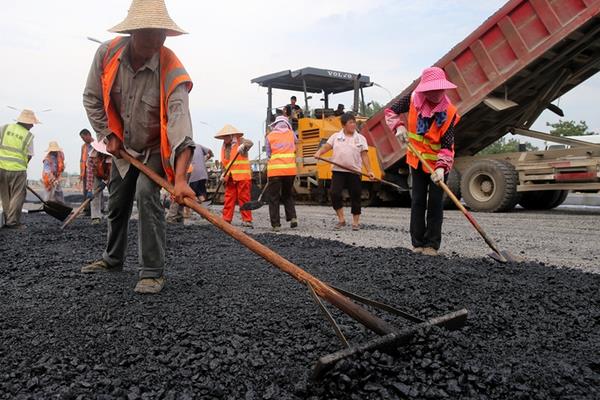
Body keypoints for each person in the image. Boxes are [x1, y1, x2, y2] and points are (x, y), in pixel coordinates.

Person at [81, 0, 196, 294]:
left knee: (146, 193)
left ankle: (152, 271)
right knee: (117, 201)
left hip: (157, 147)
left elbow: (181, 127)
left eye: (161, 33)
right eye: (149, 33)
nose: (156, 40)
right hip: (123, 145)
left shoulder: (171, 70)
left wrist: (180, 180)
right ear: (132, 32)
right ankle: (112, 258)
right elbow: (92, 99)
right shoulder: (107, 55)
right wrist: (108, 134)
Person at [384, 66, 460, 256]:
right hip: (417, 161)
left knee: (435, 202)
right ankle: (417, 243)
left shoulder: (448, 111)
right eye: (432, 90)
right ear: (424, 89)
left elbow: (447, 144)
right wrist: (399, 128)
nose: (436, 94)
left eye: (439, 90)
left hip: (438, 165)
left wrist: (441, 168)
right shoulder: (412, 99)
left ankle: (432, 245)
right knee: (418, 200)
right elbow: (390, 112)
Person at [314, 112, 374, 231]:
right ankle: (341, 220)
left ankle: (355, 222)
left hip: (355, 171)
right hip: (338, 171)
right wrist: (319, 152)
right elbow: (327, 146)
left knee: (355, 196)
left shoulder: (360, 138)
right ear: (343, 125)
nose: (353, 125)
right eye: (350, 123)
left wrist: (370, 170)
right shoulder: (336, 137)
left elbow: (365, 156)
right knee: (334, 193)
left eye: (354, 122)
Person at [0, 109, 38, 229]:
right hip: (18, 170)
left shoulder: (4, 128)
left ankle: (7, 219)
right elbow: (29, 155)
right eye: (31, 123)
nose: (32, 125)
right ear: (26, 123)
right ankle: (13, 222)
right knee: (18, 195)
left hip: (1, 167)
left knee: (5, 195)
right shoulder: (28, 136)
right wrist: (22, 165)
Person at [215, 124, 253, 228]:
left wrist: (244, 146)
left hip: (242, 176)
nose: (225, 138)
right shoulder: (224, 147)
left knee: (244, 199)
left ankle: (247, 220)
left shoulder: (240, 141)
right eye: (224, 136)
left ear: (232, 135)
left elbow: (250, 143)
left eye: (227, 136)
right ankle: (226, 219)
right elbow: (225, 163)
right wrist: (223, 174)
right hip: (230, 177)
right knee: (228, 198)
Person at [265, 116, 297, 231]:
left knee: (274, 198)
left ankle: (276, 225)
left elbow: (268, 154)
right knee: (287, 194)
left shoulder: (270, 136)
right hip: (290, 170)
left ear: (276, 124)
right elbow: (295, 147)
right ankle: (293, 217)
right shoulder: (291, 134)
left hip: (275, 171)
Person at [166, 142, 213, 222]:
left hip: (192, 173)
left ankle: (180, 214)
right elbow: (210, 152)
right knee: (200, 193)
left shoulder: (182, 147)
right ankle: (205, 211)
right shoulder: (198, 145)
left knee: (185, 193)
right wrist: (205, 159)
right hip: (202, 174)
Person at [86, 139, 112, 224]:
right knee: (94, 194)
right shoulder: (91, 157)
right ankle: (95, 217)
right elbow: (90, 173)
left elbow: (111, 172)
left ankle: (113, 215)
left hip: (109, 175)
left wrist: (105, 182)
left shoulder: (110, 156)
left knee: (113, 193)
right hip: (97, 174)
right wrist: (89, 189)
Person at [79, 129, 94, 214]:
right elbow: (81, 160)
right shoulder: (84, 146)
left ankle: (98, 208)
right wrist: (81, 172)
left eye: (83, 137)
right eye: (82, 138)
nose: (83, 140)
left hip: (95, 170)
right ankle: (87, 208)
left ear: (88, 135)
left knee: (96, 189)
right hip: (85, 170)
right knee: (86, 190)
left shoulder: (96, 145)